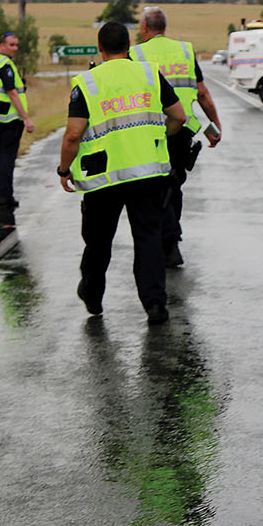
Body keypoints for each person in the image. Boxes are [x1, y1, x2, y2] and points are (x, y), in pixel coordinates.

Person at [58, 21, 187, 324]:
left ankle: (92, 294)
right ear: (129, 46)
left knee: (99, 241)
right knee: (148, 240)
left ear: (100, 49)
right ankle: (155, 305)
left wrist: (64, 169)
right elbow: (179, 116)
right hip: (147, 173)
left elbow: (73, 135)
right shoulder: (149, 73)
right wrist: (158, 138)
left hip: (104, 178)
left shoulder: (87, 82)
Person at [130, 5, 224, 268]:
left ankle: (168, 241)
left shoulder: (135, 53)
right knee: (175, 185)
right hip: (181, 131)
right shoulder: (185, 51)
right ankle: (170, 241)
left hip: (150, 131)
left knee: (157, 186)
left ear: (145, 27)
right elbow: (202, 93)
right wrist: (214, 125)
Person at [0, 31, 36, 225]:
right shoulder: (5, 65)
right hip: (9, 121)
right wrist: (26, 119)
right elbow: (12, 92)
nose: (15, 48)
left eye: (16, 45)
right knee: (6, 161)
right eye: (11, 45)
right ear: (2, 45)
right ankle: (5, 199)